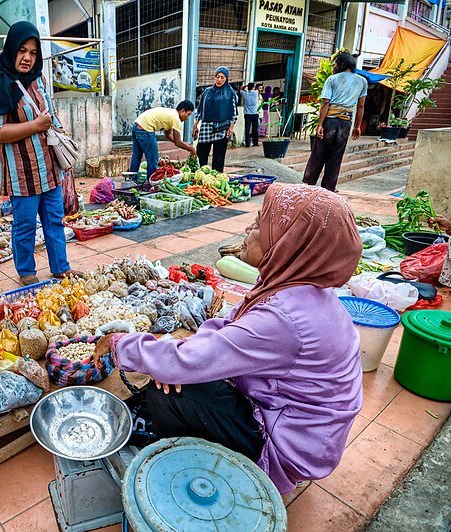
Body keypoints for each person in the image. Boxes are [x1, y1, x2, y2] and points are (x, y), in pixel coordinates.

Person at [95, 183, 364, 494]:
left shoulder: (284, 318)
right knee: (177, 374)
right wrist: (184, 359)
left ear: (290, 242)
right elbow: (227, 323)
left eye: (262, 223)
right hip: (299, 425)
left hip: (290, 446)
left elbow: (189, 360)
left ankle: (202, 474)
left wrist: (118, 344)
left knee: (167, 395)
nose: (249, 228)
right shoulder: (295, 287)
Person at [0, 21, 79, 286]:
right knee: (24, 226)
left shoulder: (39, 79)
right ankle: (26, 272)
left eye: (33, 52)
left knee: (54, 222)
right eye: (22, 50)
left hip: (49, 167)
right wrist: (35, 126)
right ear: (11, 48)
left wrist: (63, 148)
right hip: (21, 173)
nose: (27, 57)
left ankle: (61, 266)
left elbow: (52, 115)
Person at [303, 52, 367, 192]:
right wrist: (357, 126)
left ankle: (309, 183)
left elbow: (326, 102)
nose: (333, 67)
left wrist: (319, 124)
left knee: (319, 153)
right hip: (346, 123)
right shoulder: (362, 81)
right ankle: (329, 188)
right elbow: (360, 106)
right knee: (336, 156)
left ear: (342, 64)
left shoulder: (332, 79)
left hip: (330, 121)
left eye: (335, 64)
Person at [130, 102, 197, 179]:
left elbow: (168, 136)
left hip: (137, 125)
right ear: (182, 111)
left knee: (137, 155)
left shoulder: (171, 114)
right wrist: (191, 149)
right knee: (153, 159)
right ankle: (152, 183)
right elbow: (178, 142)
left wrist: (184, 144)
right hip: (145, 129)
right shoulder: (176, 118)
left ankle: (132, 180)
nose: (187, 118)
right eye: (188, 114)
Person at [192, 67, 237, 172]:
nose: (219, 80)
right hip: (206, 126)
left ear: (226, 79)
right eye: (217, 77)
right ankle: (200, 176)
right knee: (201, 153)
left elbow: (234, 112)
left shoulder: (230, 93)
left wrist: (231, 126)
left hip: (222, 127)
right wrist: (195, 125)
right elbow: (200, 109)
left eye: (222, 77)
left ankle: (216, 178)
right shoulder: (207, 92)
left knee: (219, 157)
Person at [239, 83, 260, 147]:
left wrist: (245, 86)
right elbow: (257, 89)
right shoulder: (256, 93)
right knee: (255, 129)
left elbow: (240, 89)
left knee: (247, 129)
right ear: (253, 87)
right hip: (255, 114)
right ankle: (255, 143)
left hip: (247, 114)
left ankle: (247, 143)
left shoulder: (245, 94)